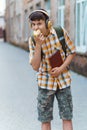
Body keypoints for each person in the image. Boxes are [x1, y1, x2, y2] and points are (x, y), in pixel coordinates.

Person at [28, 9, 76, 130]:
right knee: (45, 120)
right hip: (45, 84)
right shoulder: (33, 40)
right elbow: (35, 67)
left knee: (67, 117)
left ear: (48, 23)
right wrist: (38, 45)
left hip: (63, 81)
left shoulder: (59, 32)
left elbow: (72, 52)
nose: (35, 27)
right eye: (33, 24)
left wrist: (61, 68)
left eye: (39, 23)